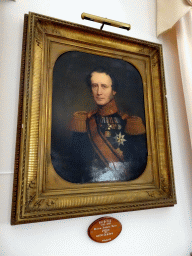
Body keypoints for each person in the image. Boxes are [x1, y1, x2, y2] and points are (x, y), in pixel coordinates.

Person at [52, 67, 148, 183]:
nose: (98, 92)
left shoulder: (131, 124)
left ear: (114, 90)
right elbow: (75, 164)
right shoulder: (82, 121)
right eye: (94, 86)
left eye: (104, 86)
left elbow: (137, 165)